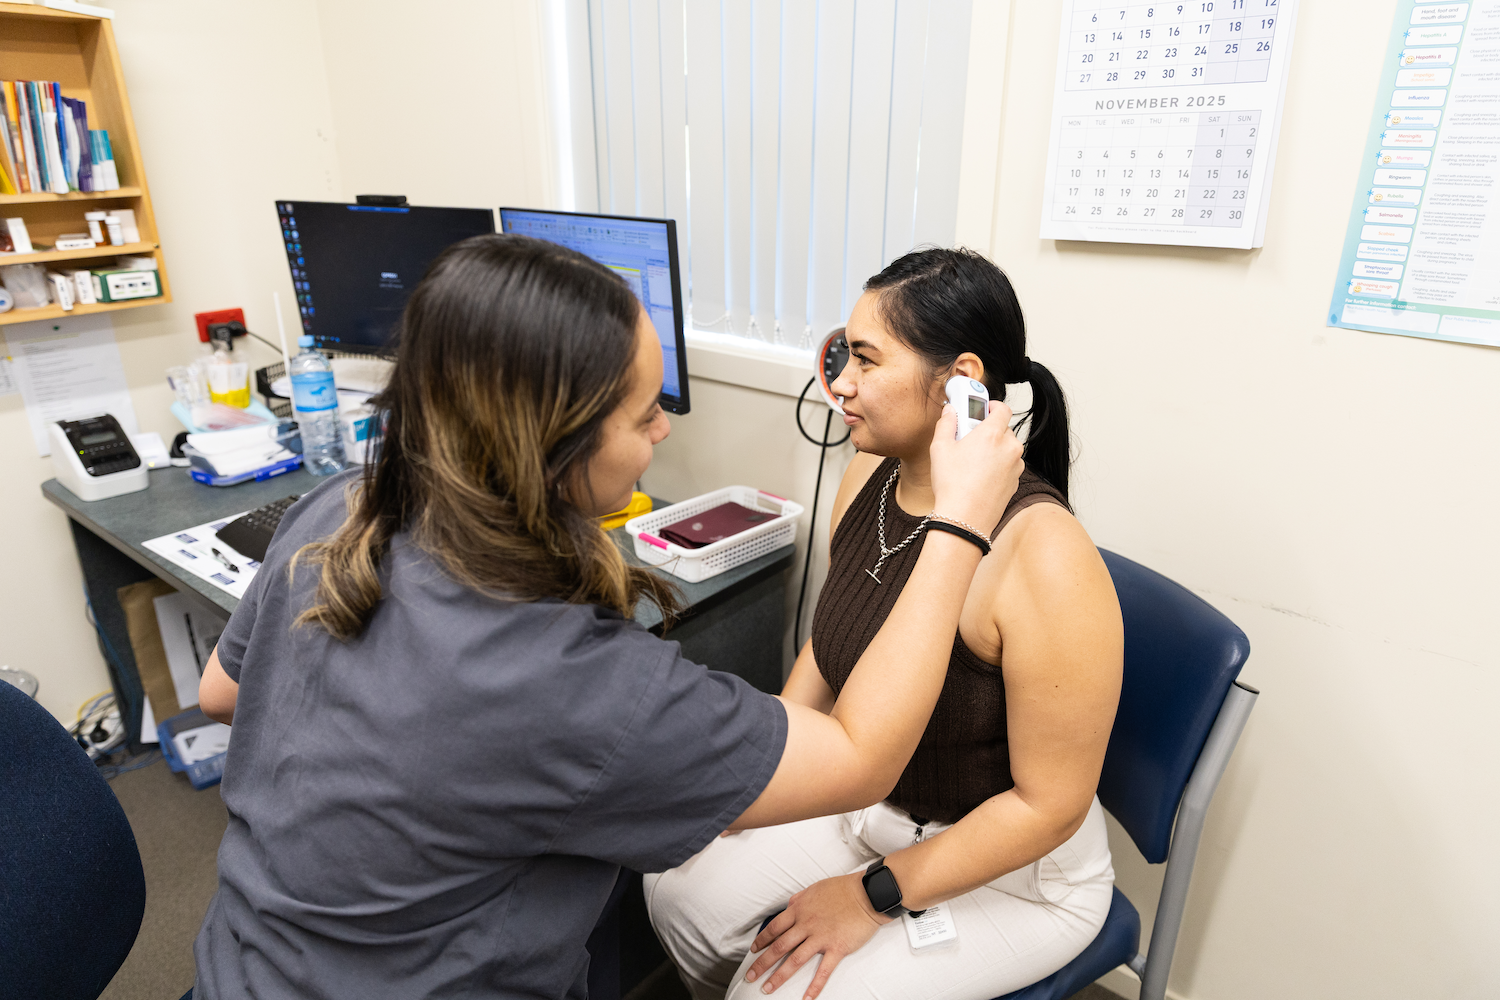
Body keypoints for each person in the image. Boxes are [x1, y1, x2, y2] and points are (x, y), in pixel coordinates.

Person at [190, 234, 1026, 1000]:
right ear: (552, 444)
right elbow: (861, 758)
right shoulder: (564, 676)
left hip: (244, 964)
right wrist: (959, 525)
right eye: (642, 413)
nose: (664, 426)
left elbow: (223, 692)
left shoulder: (344, 506)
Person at [645, 248, 1124, 1000]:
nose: (838, 383)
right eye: (843, 354)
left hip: (1013, 875)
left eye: (865, 360)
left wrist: (872, 894)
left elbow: (1049, 806)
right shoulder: (871, 472)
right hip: (870, 805)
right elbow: (832, 648)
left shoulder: (1046, 555)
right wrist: (753, 779)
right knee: (676, 885)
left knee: (777, 993)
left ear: (961, 382)